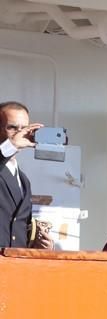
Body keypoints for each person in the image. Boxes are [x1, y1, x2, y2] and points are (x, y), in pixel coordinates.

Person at [0, 101, 52, 249]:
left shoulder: (23, 180)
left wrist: (36, 244)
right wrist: (11, 145)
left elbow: (16, 227)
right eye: (12, 128)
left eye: (24, 128)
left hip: (14, 263)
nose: (20, 133)